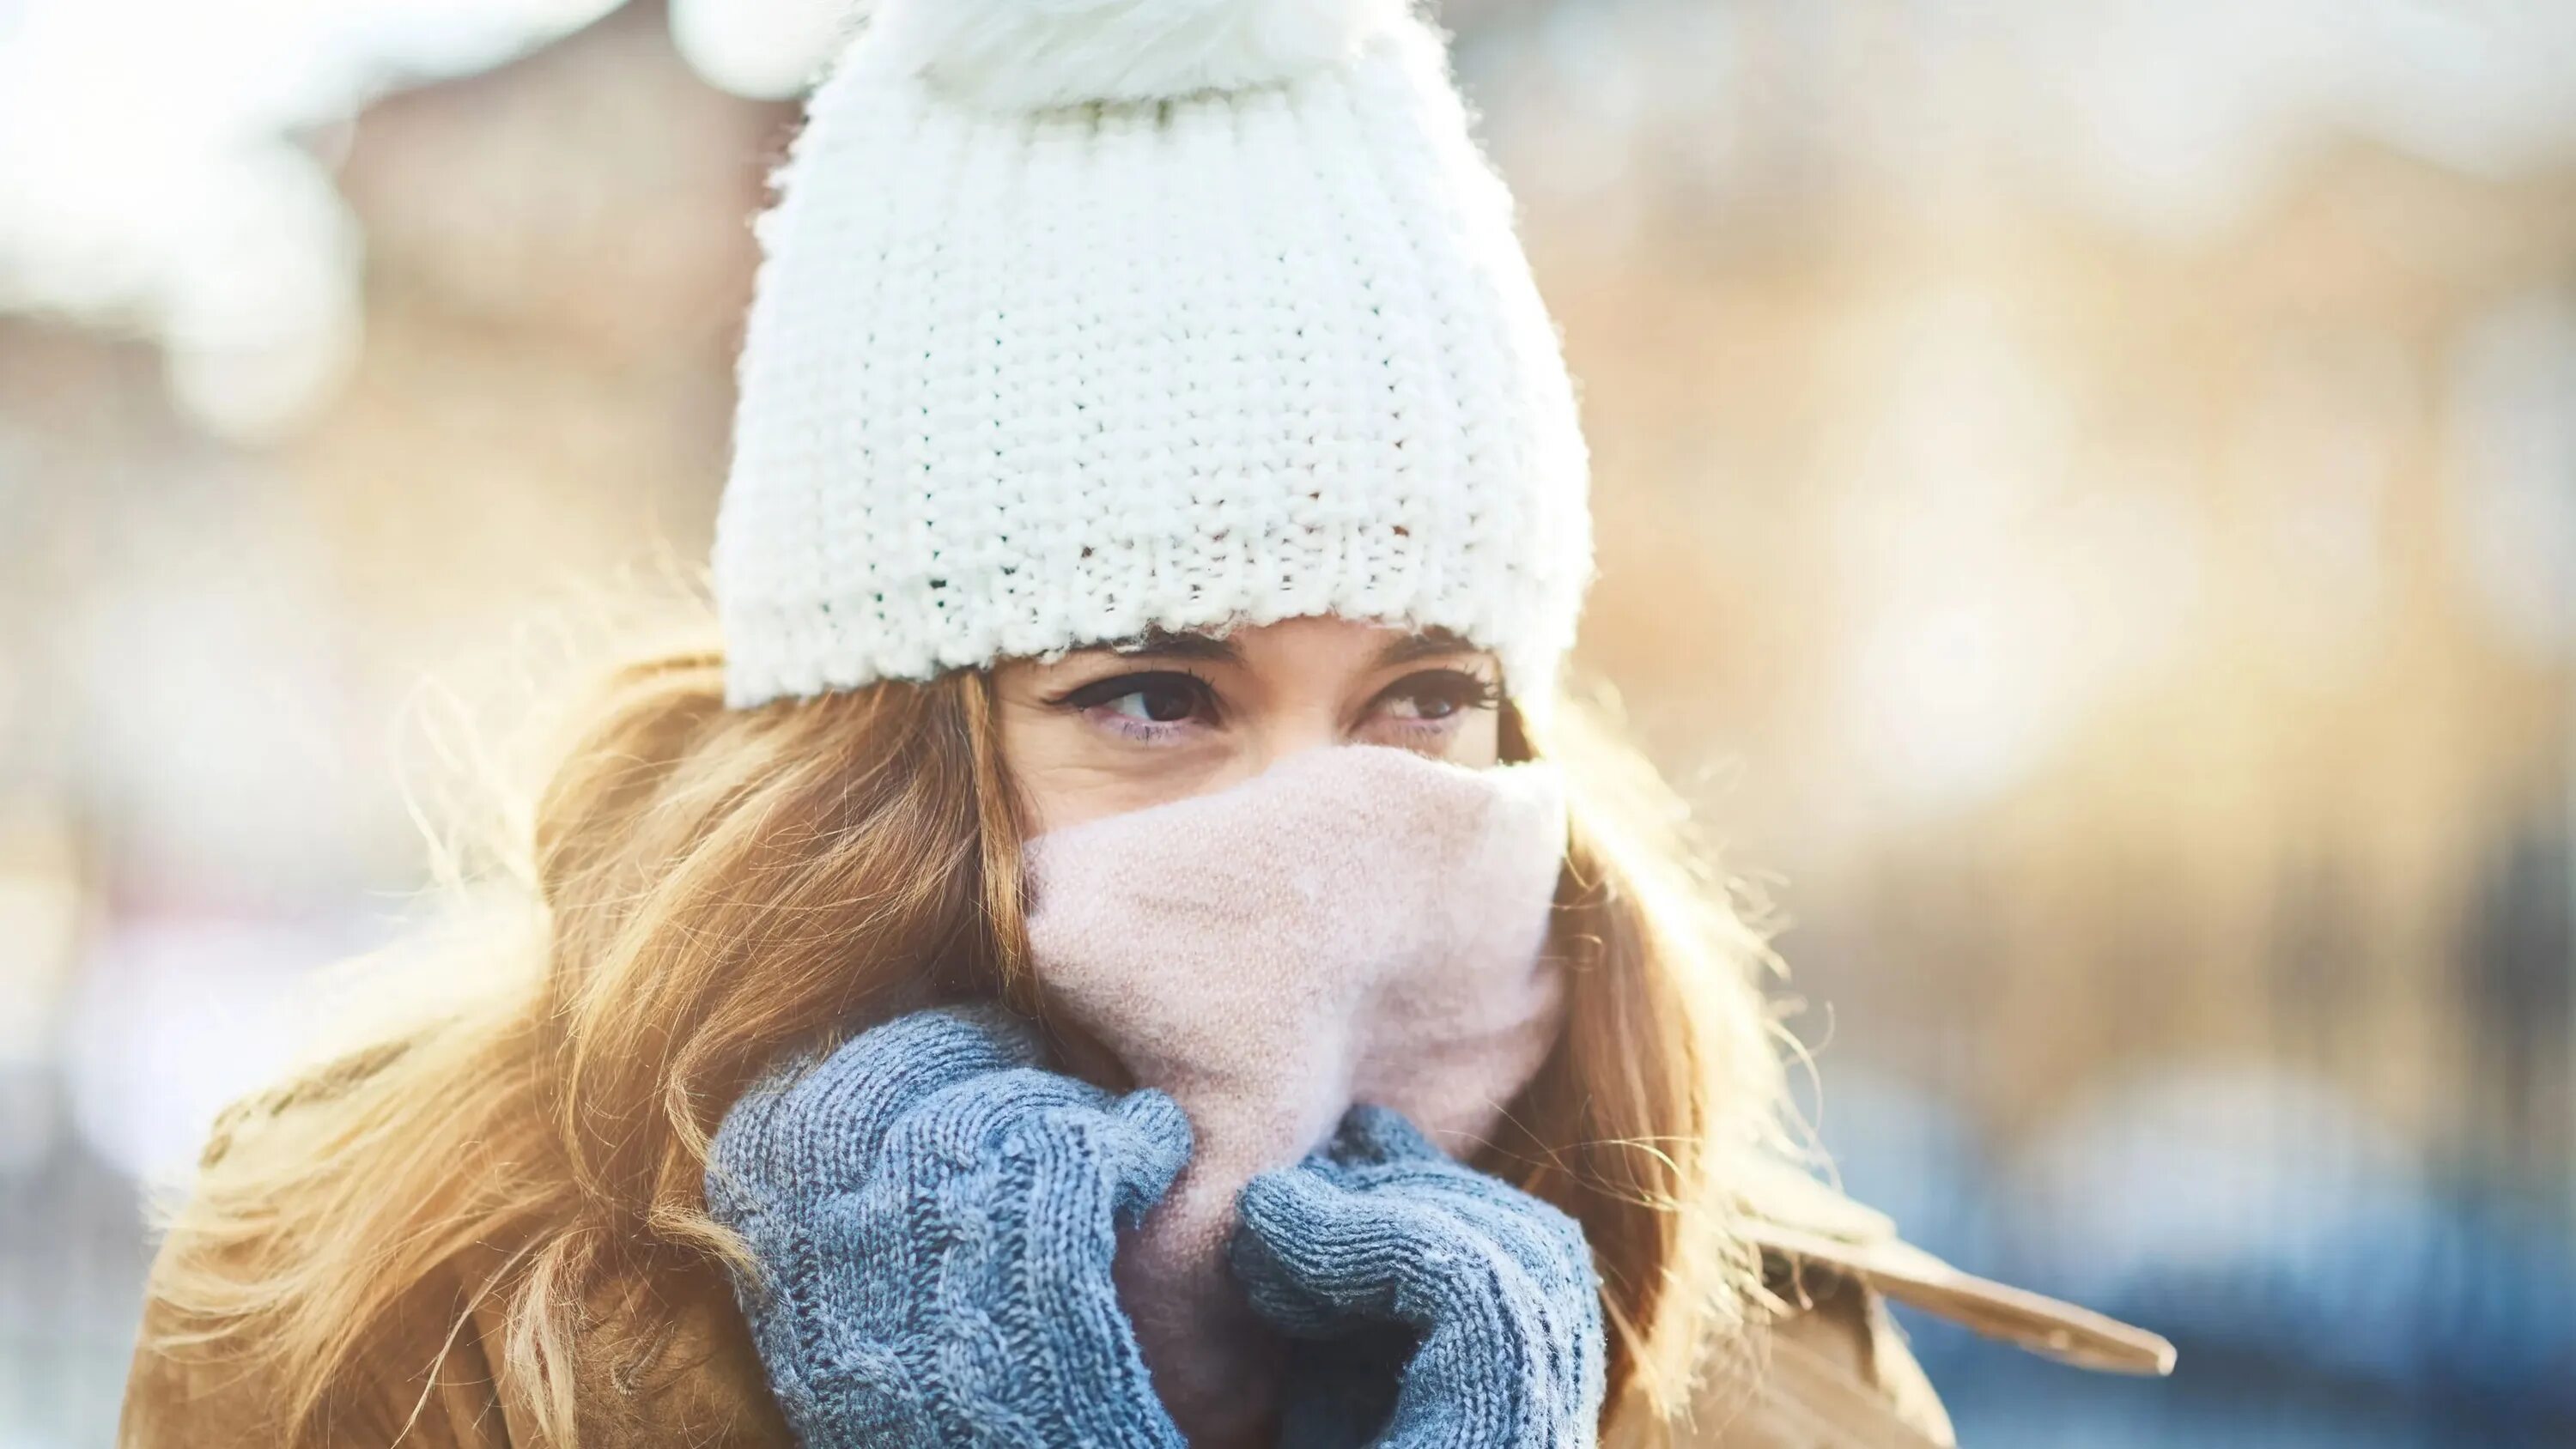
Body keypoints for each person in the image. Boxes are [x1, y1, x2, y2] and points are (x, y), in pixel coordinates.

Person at [117, 1, 2172, 1445]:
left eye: (1423, 698)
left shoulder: (1760, 1363)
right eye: (1156, 696)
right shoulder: (403, 1320)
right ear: (878, 758)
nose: (1325, 837)